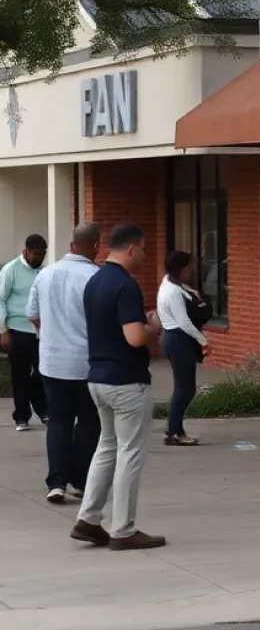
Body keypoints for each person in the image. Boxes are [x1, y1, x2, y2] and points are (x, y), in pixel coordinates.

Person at [71, 223, 165, 551]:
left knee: (107, 447)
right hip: (126, 381)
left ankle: (89, 518)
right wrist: (153, 326)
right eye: (142, 248)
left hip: (97, 377)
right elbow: (134, 336)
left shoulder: (94, 281)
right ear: (130, 249)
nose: (144, 254)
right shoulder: (126, 286)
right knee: (129, 453)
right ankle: (123, 530)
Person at [25, 224, 102, 504]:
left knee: (58, 422)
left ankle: (56, 482)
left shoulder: (45, 274)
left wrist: (49, 334)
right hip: (85, 363)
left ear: (71, 245)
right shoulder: (96, 277)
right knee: (89, 422)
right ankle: (79, 480)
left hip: (52, 362)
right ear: (96, 246)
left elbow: (32, 314)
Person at [157, 251, 211, 447]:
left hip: (177, 339)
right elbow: (183, 322)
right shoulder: (171, 291)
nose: (192, 270)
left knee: (184, 387)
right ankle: (174, 432)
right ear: (180, 269)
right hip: (177, 339)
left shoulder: (174, 285)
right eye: (189, 266)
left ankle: (174, 429)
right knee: (184, 388)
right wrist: (203, 341)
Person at [0, 233, 49, 431]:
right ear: (26, 251)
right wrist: (3, 331)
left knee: (41, 372)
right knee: (19, 374)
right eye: (36, 254)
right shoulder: (11, 270)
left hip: (40, 331)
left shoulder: (45, 272)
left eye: (42, 254)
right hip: (17, 330)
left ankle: (43, 409)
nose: (39, 258)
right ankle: (21, 416)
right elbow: (0, 300)